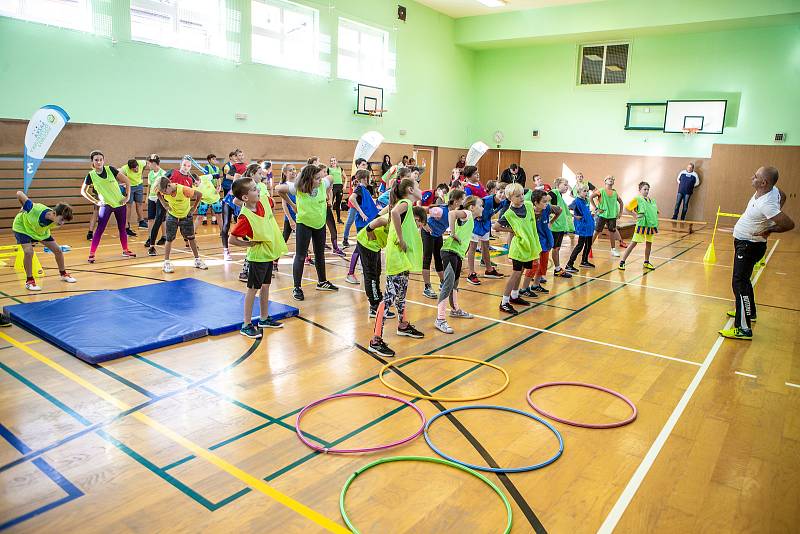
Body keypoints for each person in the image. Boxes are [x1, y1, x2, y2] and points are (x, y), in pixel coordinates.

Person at [720, 166, 794, 340]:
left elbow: (789, 224)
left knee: (739, 283)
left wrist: (770, 229)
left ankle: (743, 329)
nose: (751, 177)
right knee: (744, 281)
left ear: (763, 182)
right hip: (746, 243)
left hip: (749, 245)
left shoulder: (766, 204)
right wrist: (766, 223)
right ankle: (749, 312)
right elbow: (782, 195)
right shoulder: (773, 191)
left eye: (755, 176)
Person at [369, 179, 426, 357]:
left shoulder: (407, 205)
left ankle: (403, 325)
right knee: (388, 299)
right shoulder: (406, 202)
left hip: (402, 258)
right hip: (396, 257)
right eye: (418, 186)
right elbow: (393, 212)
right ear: (410, 189)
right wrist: (401, 239)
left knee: (400, 295)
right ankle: (375, 340)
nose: (420, 189)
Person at [229, 177, 288, 338]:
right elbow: (232, 239)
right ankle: (246, 324)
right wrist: (249, 244)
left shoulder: (263, 201)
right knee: (252, 290)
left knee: (266, 286)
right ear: (246, 197)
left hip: (269, 253)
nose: (258, 190)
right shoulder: (245, 218)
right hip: (257, 257)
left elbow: (271, 204)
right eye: (254, 189)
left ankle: (264, 318)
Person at [276, 164, 339, 301]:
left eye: (319, 177)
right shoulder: (298, 187)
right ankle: (297, 287)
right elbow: (278, 189)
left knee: (319, 254)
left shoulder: (323, 183)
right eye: (316, 178)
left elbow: (331, 177)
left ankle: (322, 282)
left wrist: (328, 191)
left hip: (319, 224)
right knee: (300, 255)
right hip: (304, 224)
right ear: (308, 179)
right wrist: (292, 204)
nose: (319, 180)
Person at [12, 191, 76, 291]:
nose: (62, 223)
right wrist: (23, 207)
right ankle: (29, 281)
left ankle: (64, 274)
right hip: (22, 228)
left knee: (58, 250)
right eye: (62, 219)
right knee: (28, 252)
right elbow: (19, 193)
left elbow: (45, 226)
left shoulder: (56, 221)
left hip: (39, 232)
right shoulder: (33, 209)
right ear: (54, 213)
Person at [435, 194, 481, 333]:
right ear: (472, 207)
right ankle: (440, 319)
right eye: (480, 205)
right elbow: (452, 212)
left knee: (454, 285)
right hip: (449, 251)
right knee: (448, 284)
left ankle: (455, 310)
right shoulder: (467, 213)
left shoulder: (470, 219)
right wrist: (453, 233)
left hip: (457, 253)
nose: (482, 208)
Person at [81, 150, 136, 263]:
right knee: (99, 230)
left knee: (122, 228)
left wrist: (127, 196)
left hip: (120, 204)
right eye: (96, 160)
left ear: (103, 160)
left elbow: (127, 181)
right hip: (106, 205)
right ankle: (92, 253)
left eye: (101, 159)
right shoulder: (90, 175)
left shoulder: (110, 169)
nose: (99, 162)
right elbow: (83, 191)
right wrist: (96, 202)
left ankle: (125, 250)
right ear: (92, 162)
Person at [493, 183, 540, 314]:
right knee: (515, 273)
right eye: (518, 196)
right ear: (510, 198)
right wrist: (512, 229)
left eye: (522, 195)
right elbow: (496, 227)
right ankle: (504, 302)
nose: (521, 197)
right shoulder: (509, 214)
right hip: (518, 248)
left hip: (529, 246)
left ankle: (514, 295)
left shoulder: (529, 205)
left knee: (522, 271)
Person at [155, 176, 206, 273]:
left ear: (169, 185)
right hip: (172, 216)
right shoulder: (162, 189)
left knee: (191, 238)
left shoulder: (184, 190)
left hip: (186, 216)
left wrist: (194, 208)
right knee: (169, 239)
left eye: (165, 192)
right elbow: (157, 193)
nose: (164, 194)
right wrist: (164, 204)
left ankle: (197, 260)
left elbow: (199, 194)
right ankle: (166, 262)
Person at [466, 180, 505, 285]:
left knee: (485, 246)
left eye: (505, 193)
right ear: (495, 191)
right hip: (476, 223)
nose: (503, 195)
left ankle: (489, 270)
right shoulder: (486, 200)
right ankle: (471, 273)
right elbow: (473, 207)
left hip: (486, 223)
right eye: (500, 192)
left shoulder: (504, 202)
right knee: (472, 247)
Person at [521, 189, 558, 296]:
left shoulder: (547, 209)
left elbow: (559, 210)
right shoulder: (529, 212)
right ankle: (524, 289)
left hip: (546, 241)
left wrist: (551, 222)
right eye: (544, 201)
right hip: (534, 242)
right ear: (536, 203)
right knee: (533, 265)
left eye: (547, 201)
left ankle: (536, 285)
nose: (547, 203)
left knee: (543, 265)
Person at [344, 169, 379, 285]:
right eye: (369, 177)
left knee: (367, 248)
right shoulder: (359, 188)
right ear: (365, 178)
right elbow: (351, 198)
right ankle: (350, 273)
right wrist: (361, 213)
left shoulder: (364, 189)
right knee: (359, 248)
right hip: (362, 223)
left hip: (368, 223)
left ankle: (366, 270)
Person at [619, 181, 659, 271]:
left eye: (648, 189)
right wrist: (635, 215)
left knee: (649, 244)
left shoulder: (651, 201)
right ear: (640, 190)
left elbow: (655, 212)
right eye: (645, 189)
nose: (647, 191)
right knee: (633, 243)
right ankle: (622, 262)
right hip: (642, 225)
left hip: (651, 225)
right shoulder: (637, 199)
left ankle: (646, 262)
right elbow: (626, 208)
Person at [221, 148, 247, 261]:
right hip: (230, 199)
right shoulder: (234, 167)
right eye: (239, 155)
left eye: (242, 155)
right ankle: (226, 250)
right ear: (236, 157)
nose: (241, 157)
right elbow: (229, 177)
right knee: (226, 224)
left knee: (243, 222)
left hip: (240, 197)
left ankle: (250, 246)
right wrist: (239, 177)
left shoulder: (246, 166)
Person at [590, 175, 624, 257]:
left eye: (612, 179)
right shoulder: (601, 190)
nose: (611, 180)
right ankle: (588, 247)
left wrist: (620, 213)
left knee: (612, 232)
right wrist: (596, 209)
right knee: (597, 231)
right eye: (609, 179)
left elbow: (621, 202)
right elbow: (591, 197)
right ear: (605, 181)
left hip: (612, 216)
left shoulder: (615, 193)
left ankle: (613, 249)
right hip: (602, 215)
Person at [565, 184, 595, 271]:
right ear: (578, 192)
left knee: (589, 244)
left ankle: (584, 261)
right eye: (584, 191)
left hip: (588, 226)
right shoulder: (576, 201)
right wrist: (574, 216)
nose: (586, 193)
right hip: (583, 227)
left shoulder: (585, 201)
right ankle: (569, 264)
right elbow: (566, 209)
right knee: (580, 245)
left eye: (587, 191)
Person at [343, 158, 370, 247]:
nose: (365, 166)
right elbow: (355, 191)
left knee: (363, 221)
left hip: (362, 203)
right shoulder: (355, 177)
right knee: (350, 221)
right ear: (357, 165)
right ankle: (345, 239)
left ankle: (362, 238)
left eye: (365, 164)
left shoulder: (365, 176)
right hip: (355, 204)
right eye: (363, 164)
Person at [549, 177, 573, 276]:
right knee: (546, 250)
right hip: (554, 227)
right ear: (558, 185)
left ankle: (557, 269)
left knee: (557, 248)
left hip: (559, 227)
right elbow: (546, 200)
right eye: (565, 185)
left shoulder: (560, 196)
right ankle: (537, 273)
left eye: (567, 185)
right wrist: (550, 221)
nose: (567, 187)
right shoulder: (553, 193)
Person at [144, 154, 167, 255]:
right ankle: (150, 237)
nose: (148, 165)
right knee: (150, 218)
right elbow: (149, 186)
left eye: (149, 163)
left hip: (160, 198)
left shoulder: (163, 173)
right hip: (151, 198)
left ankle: (164, 236)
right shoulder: (150, 174)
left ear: (153, 163)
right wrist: (147, 197)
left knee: (161, 218)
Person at [120, 158, 147, 233]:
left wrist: (142, 173)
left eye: (137, 167)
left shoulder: (142, 163)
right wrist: (123, 183)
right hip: (130, 187)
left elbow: (146, 164)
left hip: (139, 186)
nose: (136, 169)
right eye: (134, 169)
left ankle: (141, 222)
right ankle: (127, 224)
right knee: (128, 205)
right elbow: (117, 175)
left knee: (139, 203)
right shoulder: (124, 169)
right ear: (130, 168)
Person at [201, 154, 222, 225]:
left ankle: (214, 218)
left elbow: (218, 178)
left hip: (215, 188)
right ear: (209, 160)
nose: (215, 160)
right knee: (206, 203)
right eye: (213, 159)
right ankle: (204, 219)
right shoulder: (207, 167)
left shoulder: (217, 168)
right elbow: (206, 178)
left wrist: (219, 186)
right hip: (208, 188)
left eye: (215, 159)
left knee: (214, 203)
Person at [328, 157, 347, 224]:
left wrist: (344, 185)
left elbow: (346, 178)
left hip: (340, 187)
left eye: (334, 161)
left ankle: (338, 219)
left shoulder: (340, 169)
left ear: (336, 161)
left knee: (338, 203)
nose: (333, 162)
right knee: (331, 203)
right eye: (331, 161)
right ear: (330, 162)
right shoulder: (328, 169)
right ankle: (329, 220)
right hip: (333, 187)